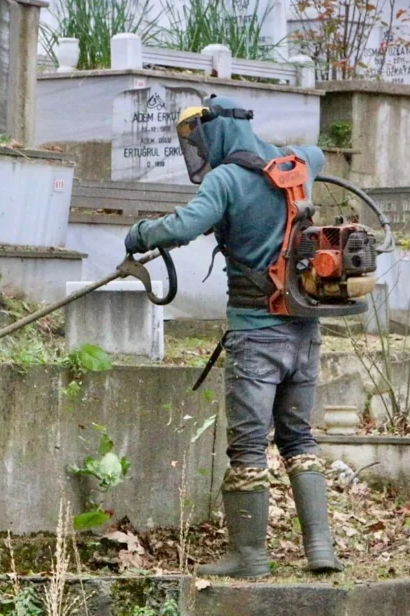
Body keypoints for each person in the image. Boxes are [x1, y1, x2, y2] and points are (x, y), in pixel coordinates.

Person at [123, 95, 342, 578]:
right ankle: (320, 549)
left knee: (247, 446)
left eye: (197, 137)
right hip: (304, 331)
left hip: (255, 334)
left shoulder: (226, 179)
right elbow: (321, 156)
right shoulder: (297, 162)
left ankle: (250, 556)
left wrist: (139, 235)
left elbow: (185, 225)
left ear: (215, 131)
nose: (196, 148)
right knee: (298, 436)